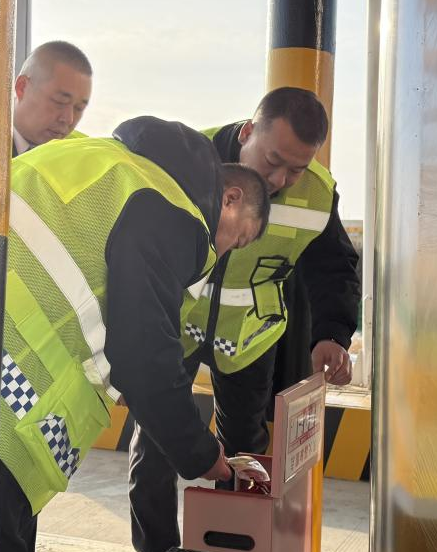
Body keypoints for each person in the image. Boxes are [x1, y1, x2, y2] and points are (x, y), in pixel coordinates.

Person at [0, 116, 271, 552]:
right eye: (235, 241)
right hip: (8, 410)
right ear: (231, 198)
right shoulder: (175, 213)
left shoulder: (102, 161)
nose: (221, 254)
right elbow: (145, 355)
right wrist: (203, 454)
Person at [129, 87, 360, 552]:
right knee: (155, 452)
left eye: (297, 167)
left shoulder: (316, 193)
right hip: (175, 329)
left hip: (250, 337)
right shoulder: (189, 161)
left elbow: (334, 267)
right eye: (273, 160)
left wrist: (332, 334)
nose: (280, 179)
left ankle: (229, 543)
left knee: (246, 454)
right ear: (248, 131)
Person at [12, 41, 92, 157]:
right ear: (22, 87)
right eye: (60, 101)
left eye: (79, 108)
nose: (69, 119)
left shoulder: (77, 156)